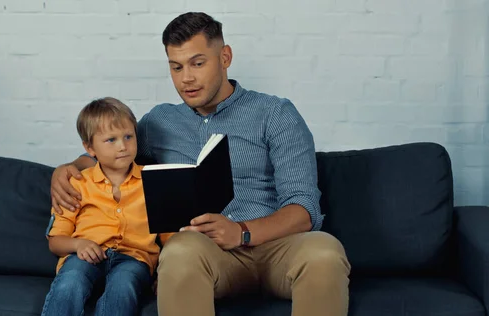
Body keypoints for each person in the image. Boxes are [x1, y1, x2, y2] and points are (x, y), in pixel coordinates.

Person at [50, 12, 350, 316]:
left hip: (277, 247)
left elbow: (304, 209)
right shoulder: (159, 122)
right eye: (176, 67)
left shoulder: (275, 113)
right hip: (207, 255)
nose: (186, 78)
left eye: (197, 63)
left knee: (324, 251)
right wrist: (70, 168)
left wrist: (241, 231)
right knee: (179, 251)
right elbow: (112, 152)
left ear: (224, 57)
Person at [41, 97, 172, 316]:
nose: (123, 146)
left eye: (128, 137)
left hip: (134, 259)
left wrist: (165, 274)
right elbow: (55, 242)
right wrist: (78, 245)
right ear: (89, 148)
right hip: (84, 256)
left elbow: (169, 238)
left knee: (122, 288)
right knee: (70, 282)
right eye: (111, 140)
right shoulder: (77, 183)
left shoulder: (153, 183)